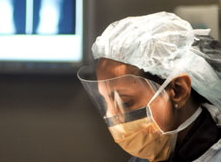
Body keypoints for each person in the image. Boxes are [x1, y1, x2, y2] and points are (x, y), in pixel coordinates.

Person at [78, 12, 220, 162]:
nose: (112, 117)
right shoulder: (148, 155)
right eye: (105, 101)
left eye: (125, 103)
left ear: (178, 90)